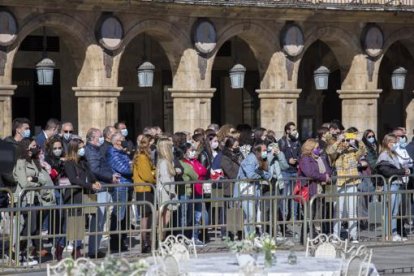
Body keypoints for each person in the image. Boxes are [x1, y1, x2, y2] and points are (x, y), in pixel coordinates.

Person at [13, 138, 55, 264]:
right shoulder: (21, 162)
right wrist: (36, 183)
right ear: (25, 147)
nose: (33, 149)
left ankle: (22, 252)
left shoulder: (33, 161)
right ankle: (18, 251)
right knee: (28, 227)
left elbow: (42, 179)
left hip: (35, 198)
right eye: (31, 146)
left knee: (33, 227)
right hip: (25, 199)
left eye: (34, 146)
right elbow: (24, 183)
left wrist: (34, 179)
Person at [64, 138, 102, 259]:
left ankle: (89, 247)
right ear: (74, 149)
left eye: (83, 147)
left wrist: (95, 181)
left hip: (86, 193)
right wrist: (90, 185)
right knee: (76, 222)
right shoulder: (69, 163)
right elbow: (73, 179)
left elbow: (90, 174)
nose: (83, 149)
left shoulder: (83, 161)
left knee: (93, 217)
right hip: (74, 195)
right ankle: (75, 249)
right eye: (80, 147)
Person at [85, 128, 118, 258]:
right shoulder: (91, 151)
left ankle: (95, 248)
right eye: (99, 137)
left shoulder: (96, 149)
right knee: (98, 221)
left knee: (100, 220)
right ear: (92, 138)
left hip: (104, 187)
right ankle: (93, 250)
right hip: (100, 188)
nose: (101, 139)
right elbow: (95, 169)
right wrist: (110, 177)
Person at [331, 128, 366, 242]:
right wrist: (338, 141)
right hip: (340, 184)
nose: (346, 143)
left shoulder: (352, 152)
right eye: (344, 140)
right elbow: (330, 152)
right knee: (338, 210)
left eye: (347, 140)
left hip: (352, 182)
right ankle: (336, 235)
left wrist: (358, 141)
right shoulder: (336, 153)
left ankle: (353, 235)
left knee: (352, 210)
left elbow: (363, 151)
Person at [375, 133, 410, 241]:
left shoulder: (394, 154)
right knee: (388, 211)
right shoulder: (384, 155)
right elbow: (386, 171)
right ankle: (387, 233)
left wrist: (405, 169)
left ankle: (394, 232)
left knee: (394, 211)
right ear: (387, 143)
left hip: (397, 184)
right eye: (393, 142)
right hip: (389, 185)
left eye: (396, 142)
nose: (395, 144)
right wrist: (401, 171)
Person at [298, 139, 331, 241]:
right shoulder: (305, 159)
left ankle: (313, 236)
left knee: (315, 215)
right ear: (310, 148)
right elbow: (310, 173)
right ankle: (306, 238)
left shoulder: (319, 158)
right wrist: (323, 177)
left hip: (318, 189)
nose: (318, 150)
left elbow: (328, 170)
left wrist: (327, 176)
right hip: (309, 189)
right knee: (309, 215)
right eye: (316, 148)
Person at [236, 142, 271, 236]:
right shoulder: (251, 159)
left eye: (266, 150)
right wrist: (262, 175)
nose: (266, 152)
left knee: (252, 215)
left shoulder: (262, 159)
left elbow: (269, 174)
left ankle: (250, 236)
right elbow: (250, 174)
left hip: (254, 190)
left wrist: (261, 175)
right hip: (245, 189)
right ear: (257, 151)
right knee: (250, 215)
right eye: (264, 150)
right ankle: (249, 237)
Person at [107, 132, 132, 253]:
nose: (124, 141)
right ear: (117, 142)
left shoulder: (122, 153)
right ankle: (115, 241)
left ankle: (122, 239)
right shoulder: (113, 153)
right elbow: (125, 169)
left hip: (127, 186)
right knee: (118, 214)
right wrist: (134, 166)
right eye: (122, 139)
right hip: (120, 186)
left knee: (124, 216)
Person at [44, 136, 67, 260]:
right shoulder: (48, 159)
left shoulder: (65, 158)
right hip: (54, 192)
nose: (58, 150)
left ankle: (60, 245)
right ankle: (55, 244)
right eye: (55, 148)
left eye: (59, 147)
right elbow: (51, 173)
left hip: (64, 191)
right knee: (56, 219)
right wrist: (60, 163)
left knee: (63, 219)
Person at [132, 134, 156, 253]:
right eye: (151, 143)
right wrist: (155, 177)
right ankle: (145, 242)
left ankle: (148, 240)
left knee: (148, 215)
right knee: (145, 217)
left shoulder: (145, 156)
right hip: (144, 189)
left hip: (146, 189)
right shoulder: (142, 157)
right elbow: (146, 175)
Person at [278, 122, 301, 224]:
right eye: (293, 129)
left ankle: (294, 217)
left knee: (295, 196)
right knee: (284, 196)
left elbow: (300, 154)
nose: (295, 131)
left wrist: (297, 160)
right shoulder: (281, 142)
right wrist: (288, 160)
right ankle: (283, 217)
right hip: (285, 172)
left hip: (295, 171)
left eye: (295, 129)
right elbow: (279, 156)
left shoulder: (297, 142)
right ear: (287, 131)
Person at [156, 138, 177, 232]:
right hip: (165, 192)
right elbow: (165, 178)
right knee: (164, 215)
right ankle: (160, 237)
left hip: (167, 191)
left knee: (166, 215)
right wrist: (172, 192)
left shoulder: (167, 161)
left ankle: (161, 236)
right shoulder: (164, 162)